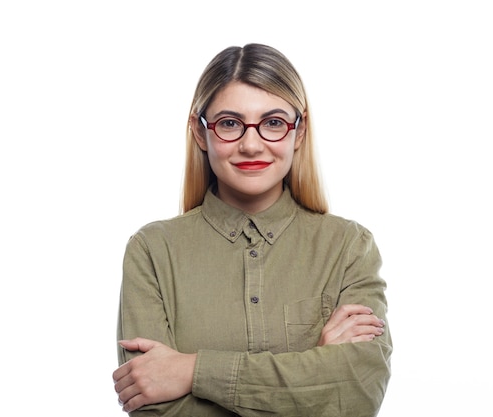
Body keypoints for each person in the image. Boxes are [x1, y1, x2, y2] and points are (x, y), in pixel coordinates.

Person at [112, 43, 392, 416]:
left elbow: (357, 392)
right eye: (230, 123)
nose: (251, 144)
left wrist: (192, 370)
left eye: (273, 123)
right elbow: (155, 408)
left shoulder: (348, 247)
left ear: (299, 131)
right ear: (200, 132)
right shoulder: (152, 250)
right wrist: (315, 372)